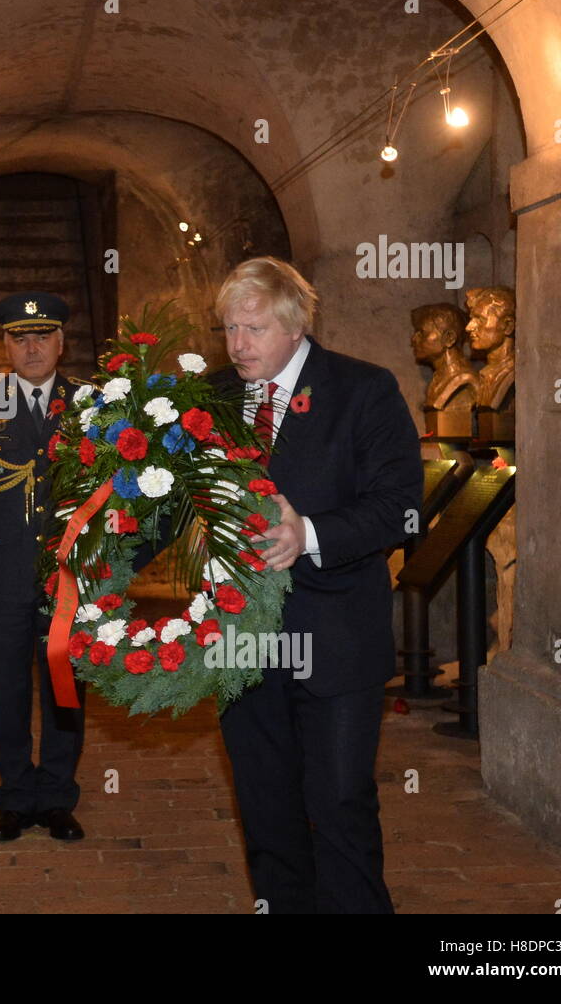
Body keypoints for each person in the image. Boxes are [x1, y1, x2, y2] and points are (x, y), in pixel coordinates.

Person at [143, 257, 421, 912]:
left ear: (295, 325)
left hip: (336, 640)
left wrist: (311, 535)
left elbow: (401, 507)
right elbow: (167, 502)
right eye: (230, 329)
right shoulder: (210, 398)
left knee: (340, 808)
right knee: (267, 814)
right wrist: (95, 558)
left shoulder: (363, 391)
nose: (238, 344)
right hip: (242, 644)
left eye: (254, 328)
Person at [0, 291, 88, 841]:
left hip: (69, 575)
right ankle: (13, 797)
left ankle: (55, 797)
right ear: (4, 344)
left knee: (64, 687)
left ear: (61, 342)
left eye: (43, 337)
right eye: (20, 338)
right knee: (5, 688)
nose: (32, 348)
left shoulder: (93, 405)